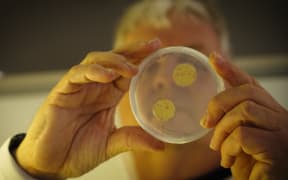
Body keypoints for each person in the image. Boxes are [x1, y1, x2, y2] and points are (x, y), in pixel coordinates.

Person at [0, 0, 287, 179]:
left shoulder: (272, 168)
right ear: (113, 76)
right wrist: (31, 171)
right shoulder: (83, 172)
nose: (166, 80)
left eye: (190, 60)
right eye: (150, 64)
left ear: (227, 73)